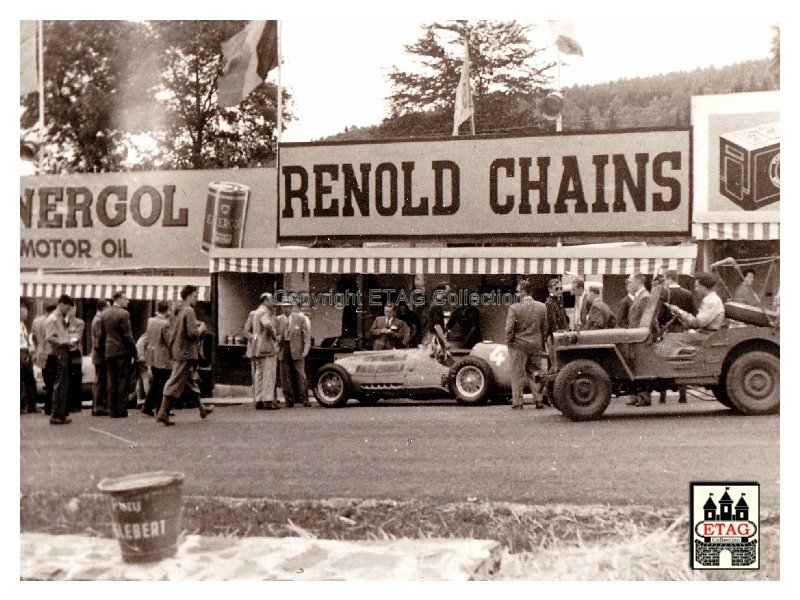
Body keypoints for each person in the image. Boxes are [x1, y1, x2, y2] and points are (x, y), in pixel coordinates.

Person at [157, 286, 213, 425]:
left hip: (177, 349)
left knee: (190, 380)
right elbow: (192, 333)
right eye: (194, 295)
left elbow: (177, 329)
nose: (196, 298)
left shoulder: (177, 310)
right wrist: (200, 329)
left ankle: (202, 409)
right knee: (175, 380)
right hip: (185, 352)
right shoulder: (189, 310)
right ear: (188, 296)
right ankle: (163, 413)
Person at [505, 280, 549, 410]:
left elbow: (509, 328)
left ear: (523, 291)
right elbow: (545, 327)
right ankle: (538, 399)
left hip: (518, 345)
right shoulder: (542, 307)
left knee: (517, 374)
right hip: (535, 344)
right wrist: (540, 340)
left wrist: (509, 341)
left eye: (518, 291)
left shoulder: (514, 307)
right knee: (535, 372)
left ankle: (518, 402)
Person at [655, 271, 695, 405]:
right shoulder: (688, 294)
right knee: (681, 361)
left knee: (665, 360)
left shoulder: (665, 294)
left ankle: (663, 396)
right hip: (683, 331)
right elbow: (693, 313)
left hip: (669, 330)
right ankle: (682, 395)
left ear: (668, 279)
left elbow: (660, 315)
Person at [98, 291, 137, 419]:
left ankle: (112, 410)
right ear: (119, 299)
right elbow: (128, 335)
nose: (128, 301)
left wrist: (102, 351)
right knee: (123, 380)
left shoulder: (104, 314)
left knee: (111, 381)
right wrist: (134, 352)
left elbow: (101, 336)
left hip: (109, 351)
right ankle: (121, 408)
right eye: (125, 298)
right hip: (122, 351)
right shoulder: (124, 314)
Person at [243, 292, 280, 410]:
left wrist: (256, 339)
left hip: (257, 349)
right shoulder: (264, 312)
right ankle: (267, 400)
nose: (273, 302)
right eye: (271, 300)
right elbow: (267, 325)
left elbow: (250, 332)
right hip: (267, 349)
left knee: (258, 374)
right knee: (269, 374)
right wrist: (274, 337)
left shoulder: (255, 313)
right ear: (265, 301)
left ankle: (258, 399)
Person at [45, 295, 75, 425]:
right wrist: (64, 342)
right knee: (59, 384)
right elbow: (50, 337)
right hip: (58, 353)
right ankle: (56, 414)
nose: (68, 310)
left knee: (63, 384)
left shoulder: (61, 318)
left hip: (63, 352)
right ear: (61, 304)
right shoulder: (53, 319)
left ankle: (61, 413)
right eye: (67, 306)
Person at [277, 298, 312, 408]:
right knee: (285, 376)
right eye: (283, 306)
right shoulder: (278, 320)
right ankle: (289, 399)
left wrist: (306, 350)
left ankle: (304, 398)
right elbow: (275, 335)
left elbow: (306, 336)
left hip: (297, 348)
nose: (285, 309)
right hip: (283, 348)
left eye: (288, 306)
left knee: (300, 375)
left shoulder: (300, 319)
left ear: (292, 307)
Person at [624, 273, 652, 407]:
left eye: (630, 281)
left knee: (642, 366)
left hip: (640, 338)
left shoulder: (644, 297)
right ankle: (637, 396)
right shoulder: (640, 297)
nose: (628, 284)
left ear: (637, 282)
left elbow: (646, 321)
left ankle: (644, 397)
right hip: (636, 337)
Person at [141, 301, 172, 417]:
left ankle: (148, 406)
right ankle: (160, 408)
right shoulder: (165, 324)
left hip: (152, 354)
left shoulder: (150, 321)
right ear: (167, 310)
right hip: (163, 356)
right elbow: (169, 341)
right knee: (163, 383)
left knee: (155, 383)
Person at [31, 303, 57, 414]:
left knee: (46, 380)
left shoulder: (36, 321)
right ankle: (50, 406)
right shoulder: (51, 321)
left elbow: (33, 337)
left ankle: (47, 406)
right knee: (53, 380)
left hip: (40, 351)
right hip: (50, 351)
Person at [90, 300, 110, 416]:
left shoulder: (96, 319)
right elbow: (99, 339)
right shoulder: (98, 320)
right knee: (100, 381)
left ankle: (97, 405)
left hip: (98, 354)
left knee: (99, 380)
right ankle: (99, 406)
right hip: (100, 354)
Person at [65, 304, 85, 414]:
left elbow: (77, 335)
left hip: (75, 353)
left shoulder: (79, 322)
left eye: (72, 309)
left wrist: (69, 340)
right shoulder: (63, 322)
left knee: (76, 379)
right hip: (65, 353)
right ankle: (68, 403)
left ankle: (76, 404)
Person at [20, 302, 38, 414]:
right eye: (23, 311)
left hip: (26, 352)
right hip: (21, 352)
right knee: (21, 380)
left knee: (30, 380)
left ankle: (31, 405)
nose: (26, 314)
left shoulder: (22, 324)